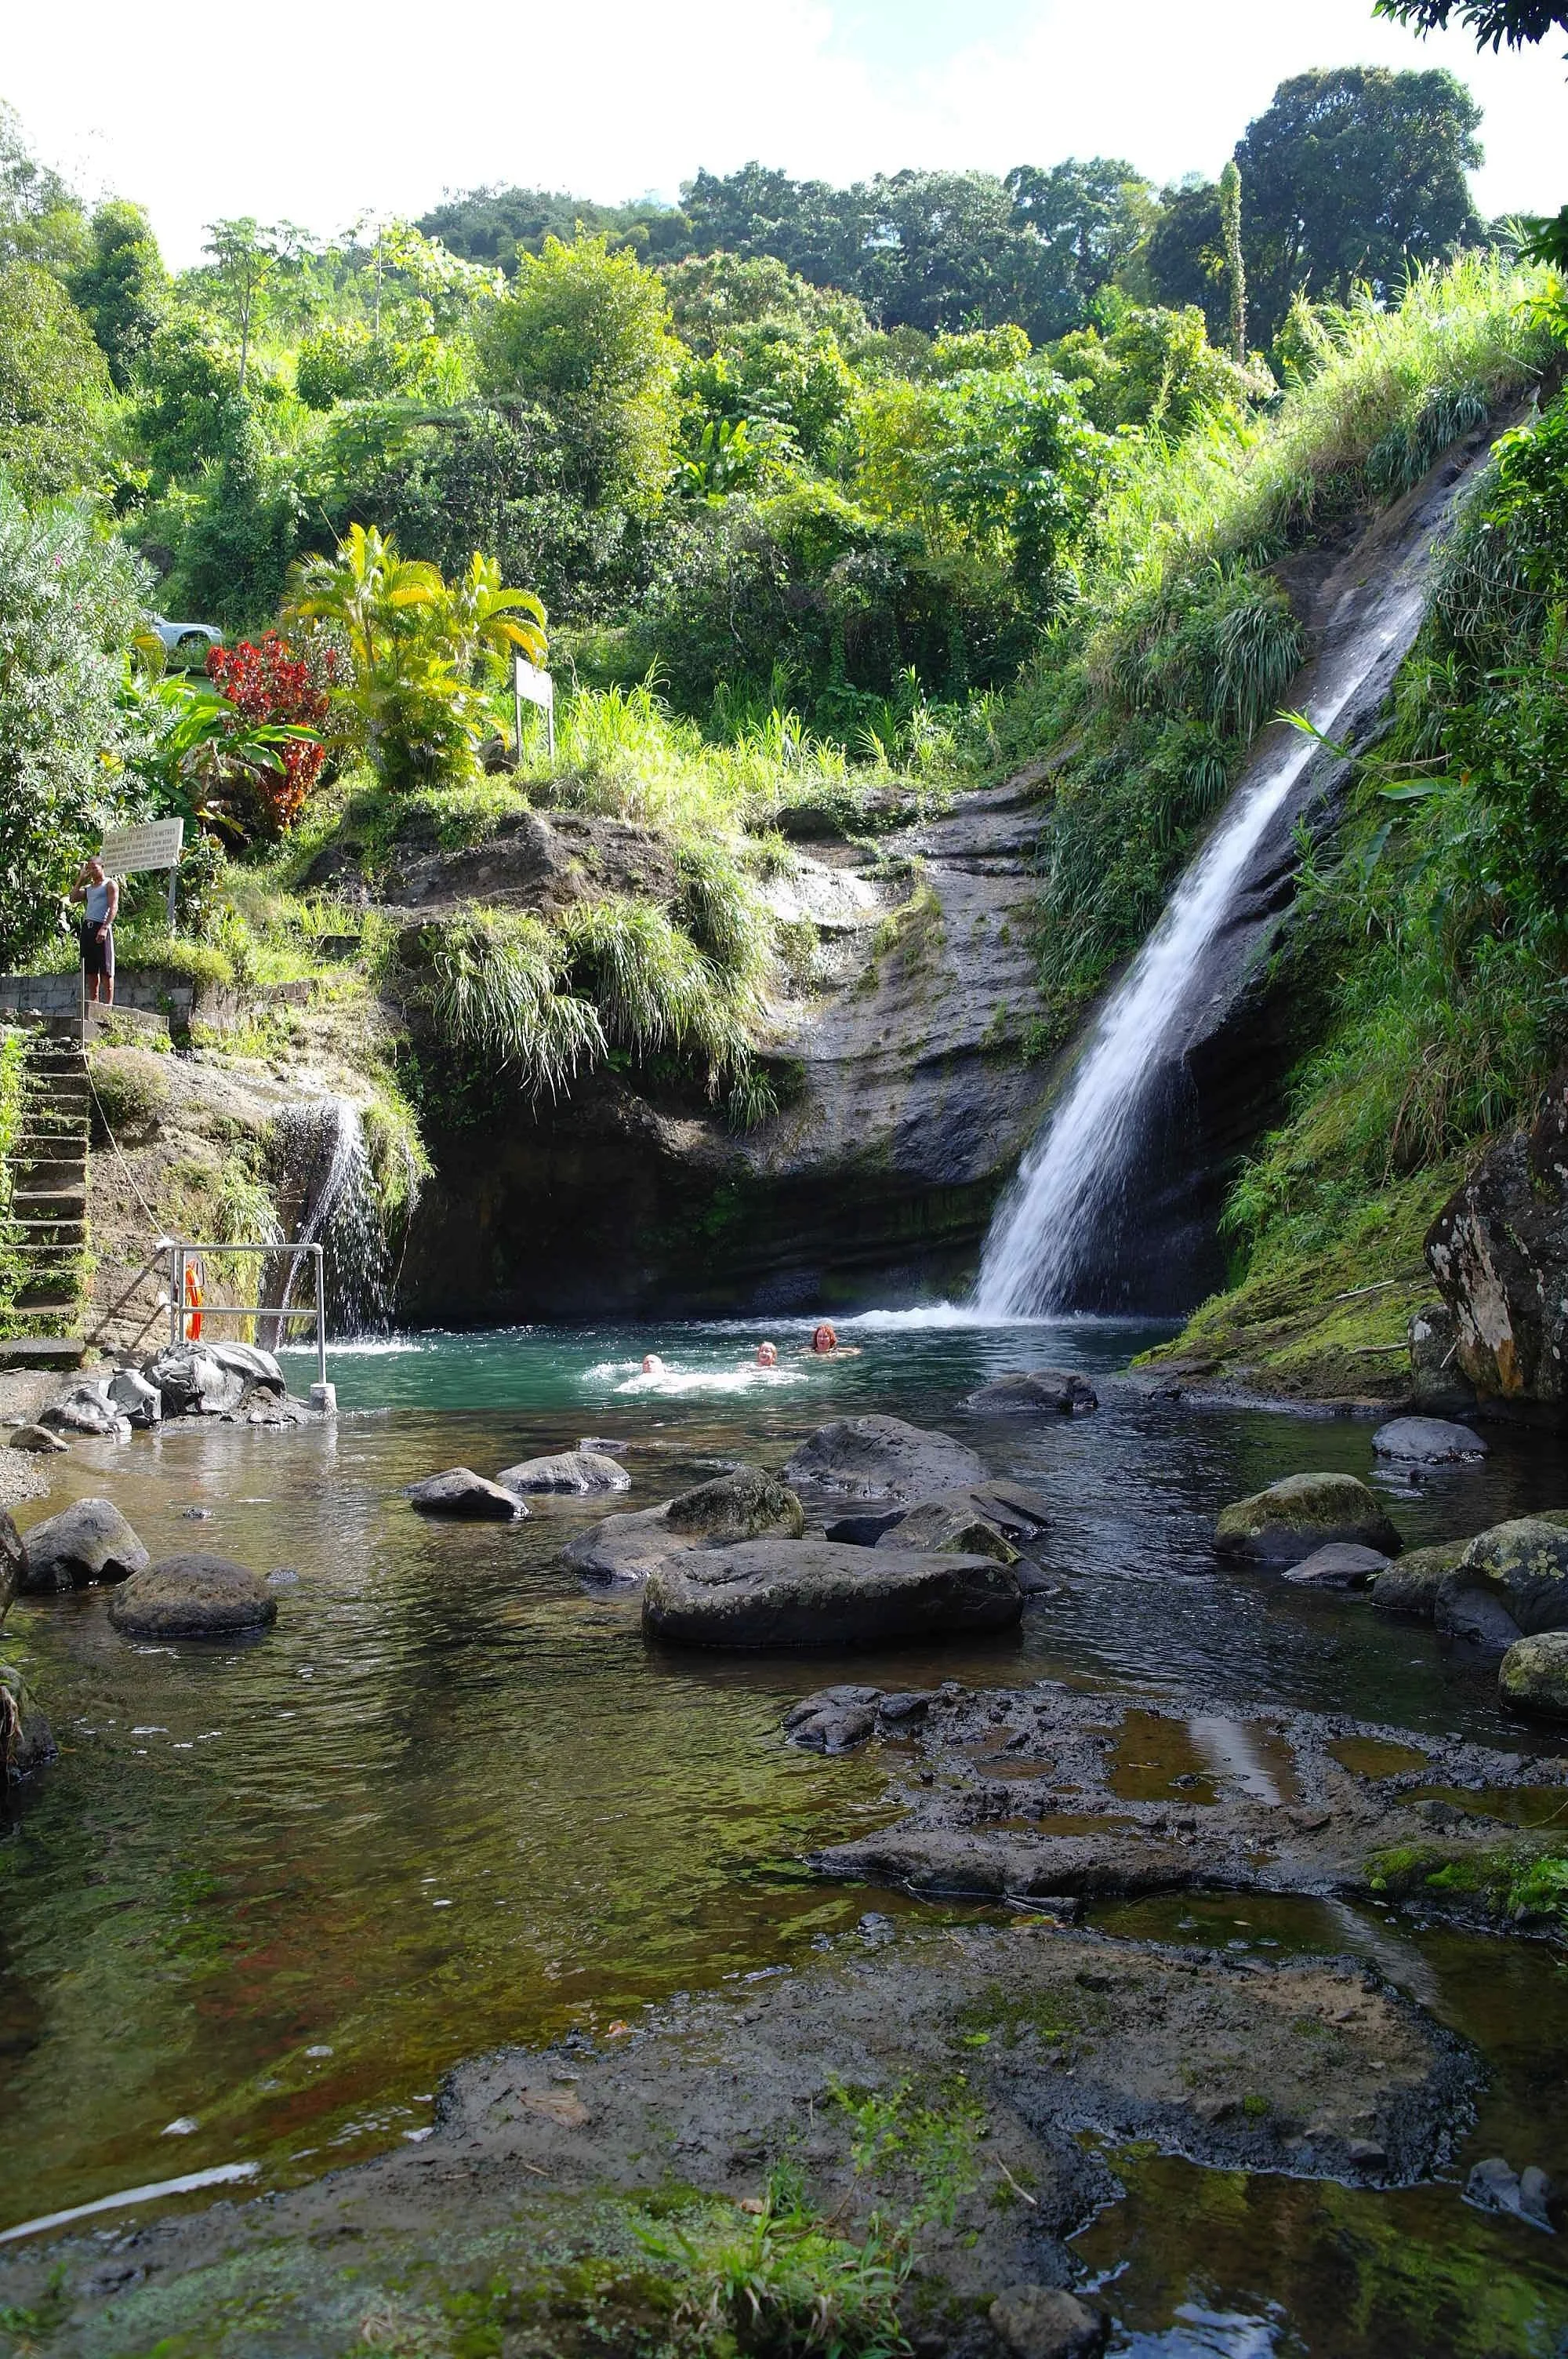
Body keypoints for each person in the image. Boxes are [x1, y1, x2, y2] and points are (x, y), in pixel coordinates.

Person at [69, 855, 118, 1008]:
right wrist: (80, 879)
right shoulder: (89, 889)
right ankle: (94, 1001)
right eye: (89, 868)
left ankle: (108, 1004)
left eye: (94, 868)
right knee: (90, 968)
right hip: (88, 928)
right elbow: (72, 898)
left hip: (101, 926)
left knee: (106, 967)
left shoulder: (110, 884)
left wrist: (105, 927)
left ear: (102, 867)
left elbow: (113, 907)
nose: (91, 871)